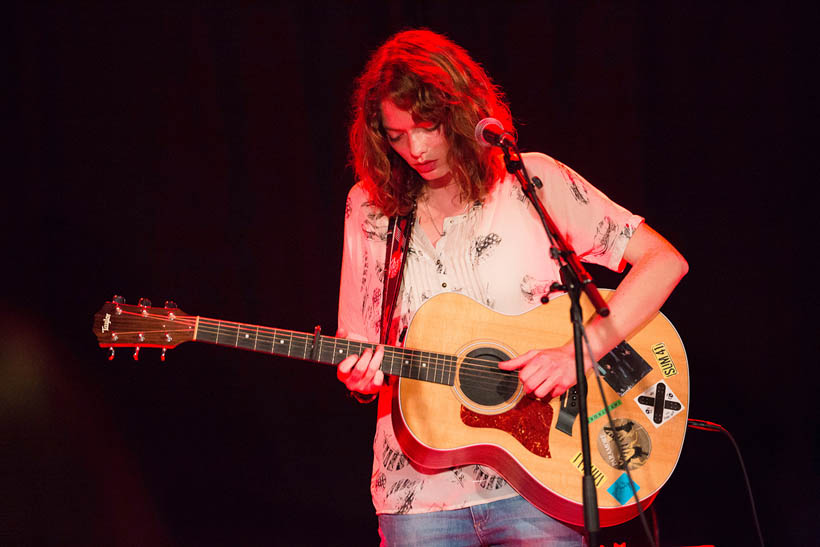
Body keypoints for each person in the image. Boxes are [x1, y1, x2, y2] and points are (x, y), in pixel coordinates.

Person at [335, 29, 688, 546]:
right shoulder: (368, 208)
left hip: (542, 482)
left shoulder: (530, 182)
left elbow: (663, 262)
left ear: (460, 112)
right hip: (416, 497)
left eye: (428, 126)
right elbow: (359, 340)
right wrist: (360, 373)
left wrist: (578, 352)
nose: (415, 148)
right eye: (396, 135)